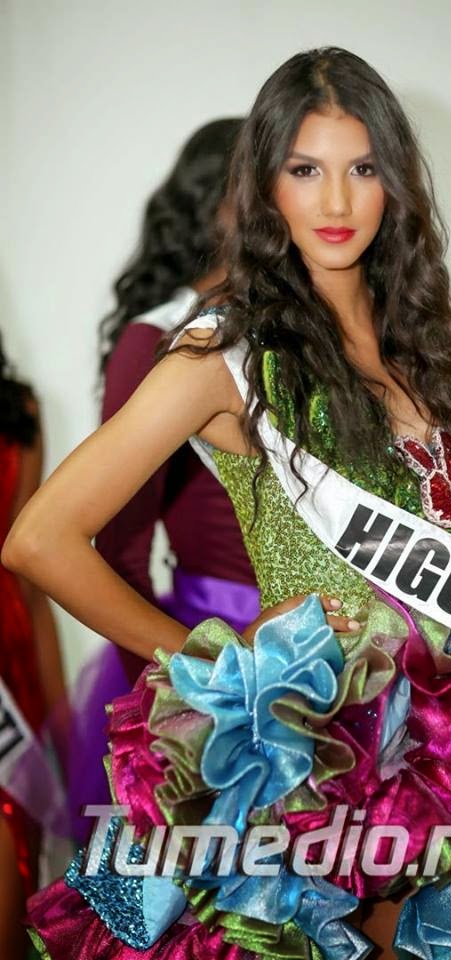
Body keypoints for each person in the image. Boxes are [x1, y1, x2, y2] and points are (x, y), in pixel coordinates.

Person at [4, 47, 451, 960]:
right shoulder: (221, 355)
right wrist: (216, 663)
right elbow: (40, 539)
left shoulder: (433, 341)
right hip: (307, 765)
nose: (336, 202)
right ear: (267, 185)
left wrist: (449, 592)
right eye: (306, 170)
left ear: (396, 183)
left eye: (362, 169)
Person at [62, 120, 261, 842]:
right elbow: (116, 549)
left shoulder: (300, 331)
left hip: (324, 647)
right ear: (211, 203)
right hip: (214, 644)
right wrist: (170, 701)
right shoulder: (157, 338)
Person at [0, 336, 66, 958]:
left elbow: (29, 574)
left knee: (18, 827)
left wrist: (59, 712)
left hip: (10, 648)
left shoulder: (16, 408)